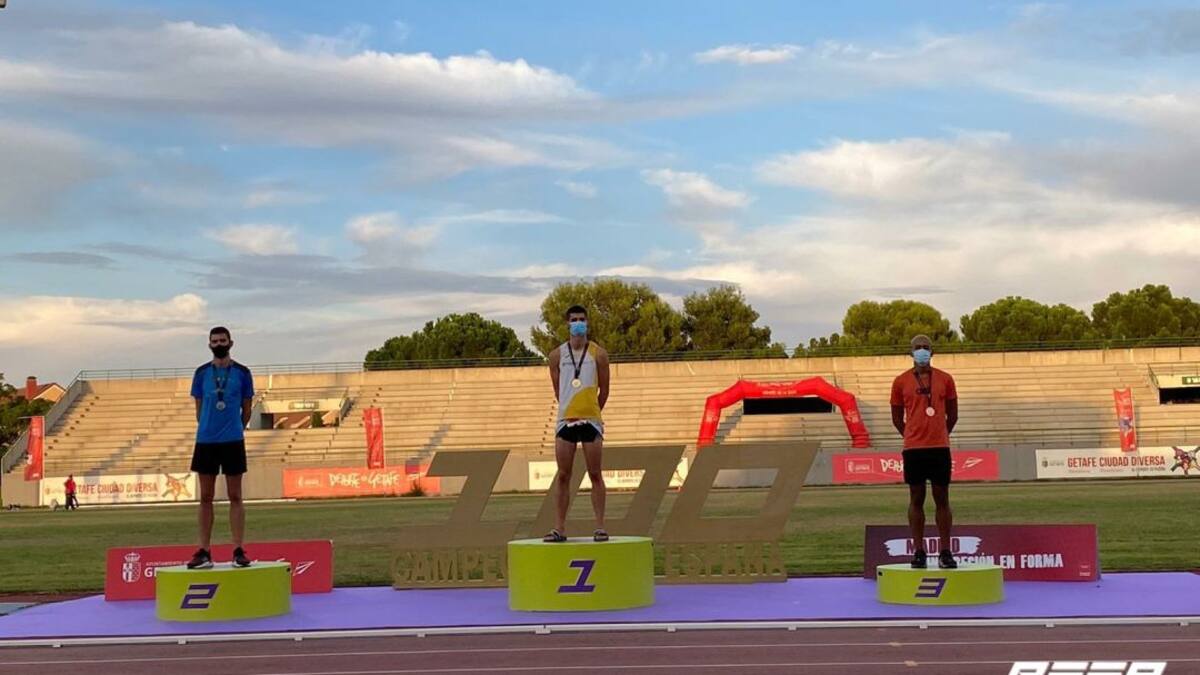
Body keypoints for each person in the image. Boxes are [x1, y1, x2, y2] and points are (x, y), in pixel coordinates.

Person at [187, 326, 255, 569]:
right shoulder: (201, 373)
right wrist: (208, 427)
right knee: (205, 497)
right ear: (209, 345)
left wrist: (235, 428)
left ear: (231, 342)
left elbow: (247, 409)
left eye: (222, 340)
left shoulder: (243, 373)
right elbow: (199, 408)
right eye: (214, 341)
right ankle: (204, 550)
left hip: (233, 440)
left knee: (235, 496)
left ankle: (238, 549)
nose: (218, 344)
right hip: (206, 441)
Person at [890, 334, 959, 570]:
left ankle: (945, 551)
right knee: (916, 499)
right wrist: (912, 435)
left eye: (925, 347)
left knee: (942, 499)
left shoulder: (946, 379)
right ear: (910, 353)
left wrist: (940, 434)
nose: (921, 351)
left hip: (939, 448)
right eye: (917, 348)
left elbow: (953, 414)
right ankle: (918, 551)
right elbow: (897, 418)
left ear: (933, 351)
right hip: (914, 450)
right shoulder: (900, 382)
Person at [544, 305, 611, 543]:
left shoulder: (599, 354)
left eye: (582, 319)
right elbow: (557, 389)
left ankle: (600, 527)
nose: (578, 323)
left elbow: (605, 390)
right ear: (567, 324)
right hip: (565, 421)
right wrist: (569, 410)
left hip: (591, 420)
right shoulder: (555, 356)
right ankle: (559, 528)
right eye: (574, 320)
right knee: (563, 475)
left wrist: (592, 411)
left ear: (588, 322)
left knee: (595, 473)